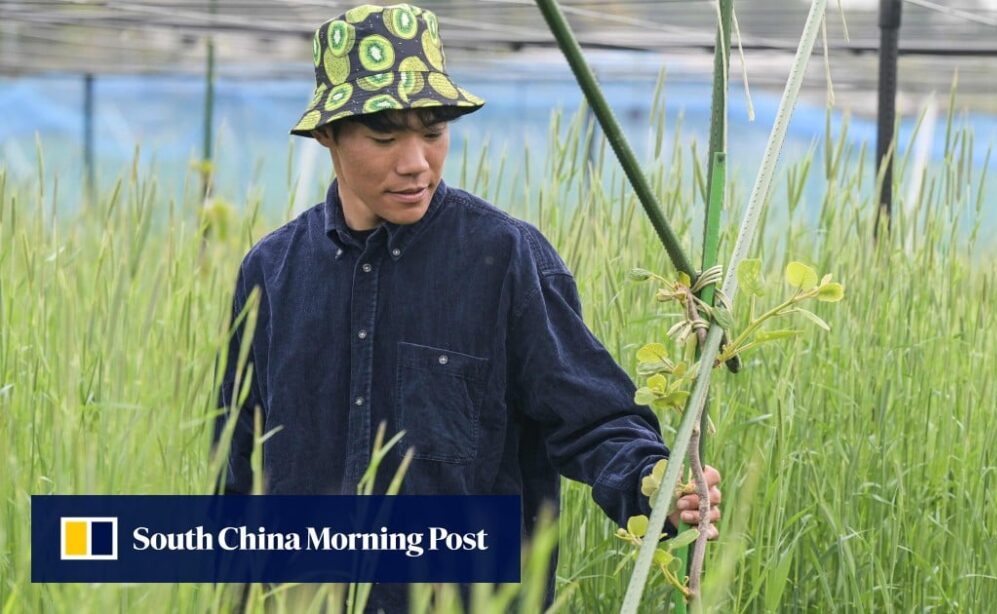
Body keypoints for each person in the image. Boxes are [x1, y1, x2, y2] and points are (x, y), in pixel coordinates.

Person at [212, 3, 721, 610]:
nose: (415, 163)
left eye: (433, 133)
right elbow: (238, 467)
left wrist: (656, 483)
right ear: (328, 135)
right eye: (385, 137)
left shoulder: (506, 258)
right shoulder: (272, 273)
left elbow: (594, 420)